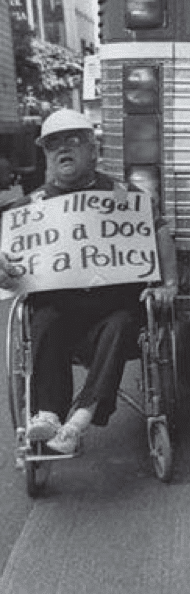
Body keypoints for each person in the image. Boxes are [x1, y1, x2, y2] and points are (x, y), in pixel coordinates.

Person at [6, 109, 178, 455]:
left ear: (93, 150)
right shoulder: (31, 208)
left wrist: (169, 283)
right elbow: (11, 274)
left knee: (121, 322)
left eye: (72, 140)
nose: (62, 149)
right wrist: (7, 271)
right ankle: (50, 415)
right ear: (45, 155)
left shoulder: (120, 196)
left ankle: (79, 421)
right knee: (44, 318)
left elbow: (159, 232)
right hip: (60, 312)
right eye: (52, 144)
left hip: (113, 310)